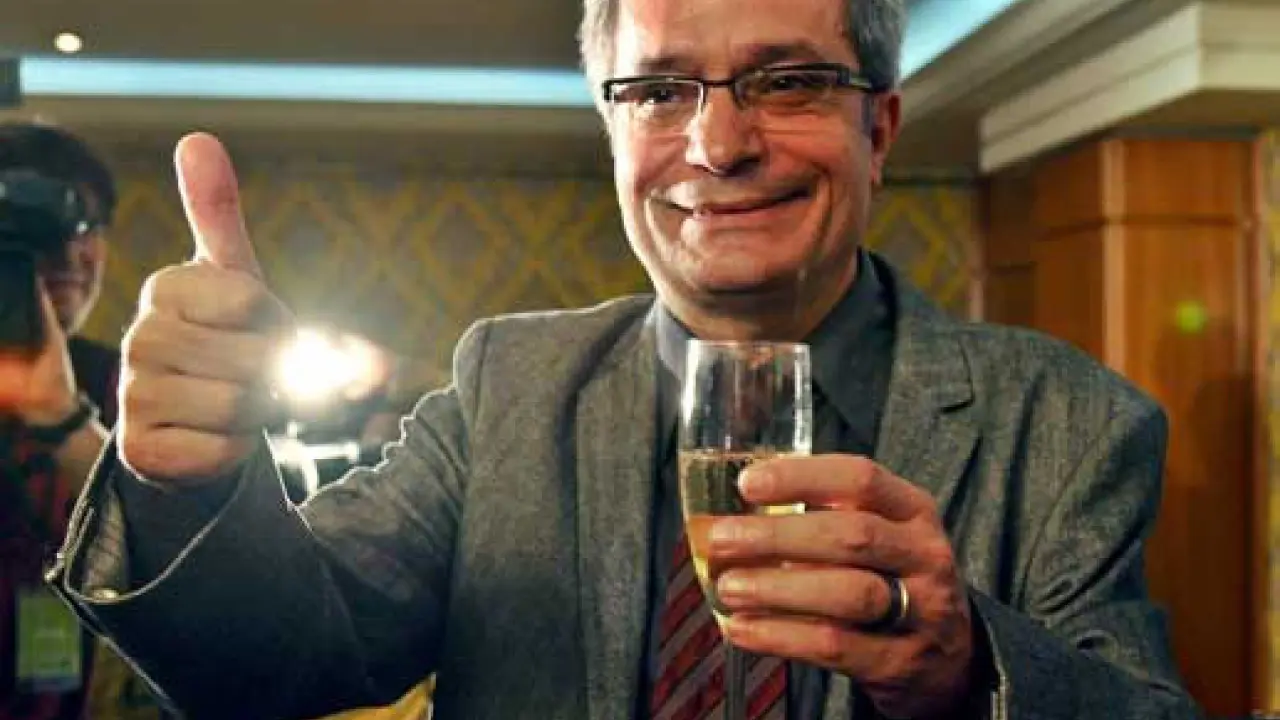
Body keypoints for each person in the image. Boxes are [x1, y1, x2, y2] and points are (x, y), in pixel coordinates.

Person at [47, 0, 1204, 717]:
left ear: (879, 130)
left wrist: (966, 674)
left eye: (787, 81)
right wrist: (183, 488)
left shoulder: (1068, 423)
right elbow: (275, 666)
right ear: (614, 130)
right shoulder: (504, 383)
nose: (718, 143)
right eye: (657, 90)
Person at [0, 123, 164, 719]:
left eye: (88, 226)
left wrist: (63, 419)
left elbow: (167, 547)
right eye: (39, 223)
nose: (71, 254)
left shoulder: (127, 383)